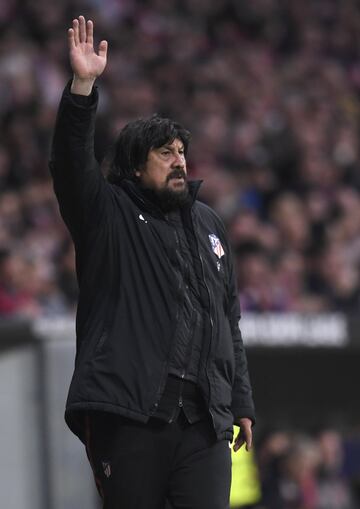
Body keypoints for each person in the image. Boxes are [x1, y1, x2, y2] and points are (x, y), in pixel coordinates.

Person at [49, 15, 255, 509]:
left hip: (205, 422)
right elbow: (71, 166)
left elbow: (228, 319)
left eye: (183, 151)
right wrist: (82, 87)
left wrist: (241, 402)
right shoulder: (109, 214)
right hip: (129, 414)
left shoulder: (209, 225)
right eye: (166, 153)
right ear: (136, 166)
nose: (181, 160)